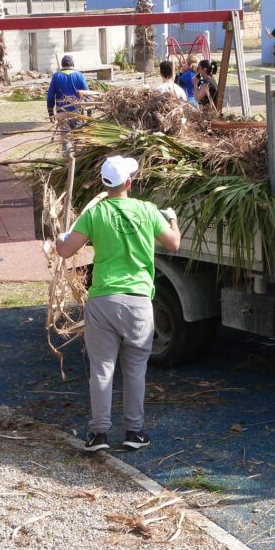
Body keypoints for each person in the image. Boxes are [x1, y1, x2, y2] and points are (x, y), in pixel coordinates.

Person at [55, 156, 181, 452]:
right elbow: (174, 242)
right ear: (129, 183)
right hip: (138, 301)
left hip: (103, 299)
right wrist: (172, 217)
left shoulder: (95, 214)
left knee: (102, 369)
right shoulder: (147, 210)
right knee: (135, 369)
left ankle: (99, 434)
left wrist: (62, 238)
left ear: (104, 183)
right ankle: (133, 433)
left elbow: (65, 250)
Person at [47, 54, 89, 122]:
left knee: (64, 131)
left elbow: (50, 96)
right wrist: (89, 111)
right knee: (78, 132)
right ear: (73, 64)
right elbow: (87, 94)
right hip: (77, 112)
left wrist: (50, 112)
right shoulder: (80, 76)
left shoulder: (56, 76)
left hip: (61, 112)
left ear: (62, 64)